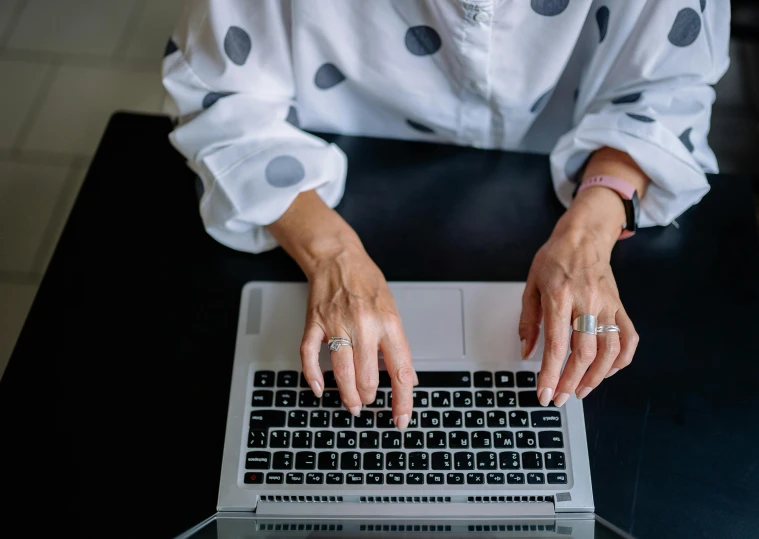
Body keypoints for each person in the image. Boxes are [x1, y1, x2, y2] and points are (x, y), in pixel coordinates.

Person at [162, 0, 730, 430]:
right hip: (324, 166)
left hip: (562, 167)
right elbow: (220, 97)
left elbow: (663, 88)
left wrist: (588, 234)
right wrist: (332, 255)